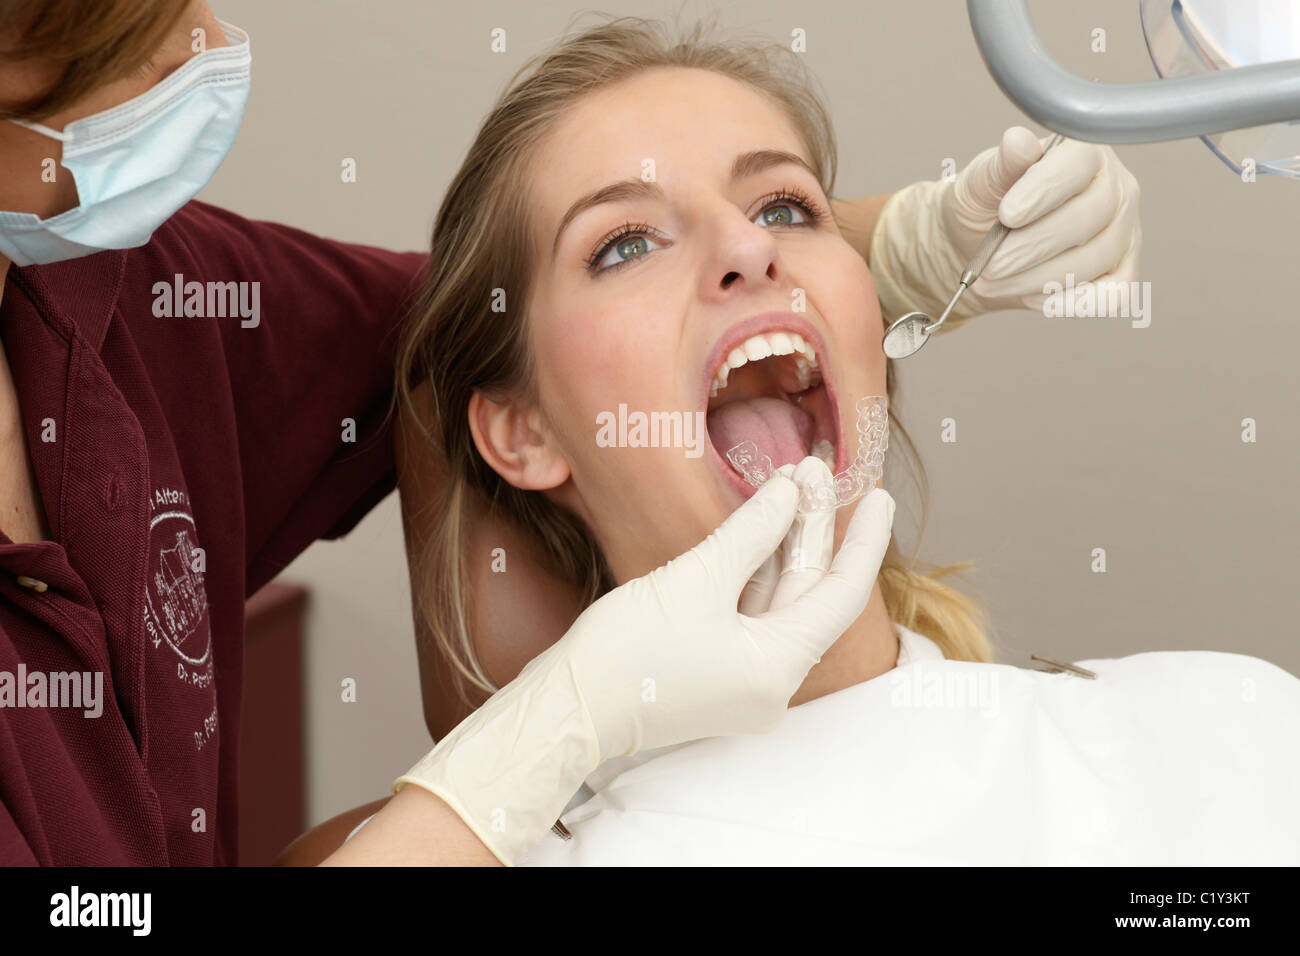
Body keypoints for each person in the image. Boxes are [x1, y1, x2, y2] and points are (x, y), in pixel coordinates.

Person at [0, 4, 1139, 866]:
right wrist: (547, 730)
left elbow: (455, 333)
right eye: (623, 245)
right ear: (519, 435)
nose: (205, 42)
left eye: (785, 209)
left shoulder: (1188, 731)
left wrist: (904, 243)